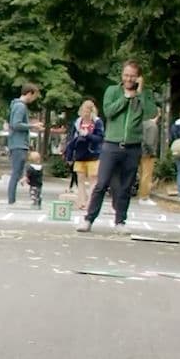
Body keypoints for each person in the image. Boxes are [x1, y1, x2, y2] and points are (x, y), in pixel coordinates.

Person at [76, 60, 157, 232]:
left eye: (133, 76)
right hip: (111, 145)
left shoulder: (144, 94)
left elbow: (150, 113)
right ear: (122, 75)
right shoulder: (112, 91)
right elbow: (109, 111)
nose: (129, 79)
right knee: (102, 183)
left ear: (138, 77)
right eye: (126, 75)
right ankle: (88, 219)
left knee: (125, 186)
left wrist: (140, 94)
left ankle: (120, 221)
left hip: (133, 147)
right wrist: (126, 98)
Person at [61, 99, 104, 215]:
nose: (85, 114)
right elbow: (72, 140)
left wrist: (88, 135)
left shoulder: (97, 122)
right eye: (83, 111)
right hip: (80, 155)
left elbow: (100, 138)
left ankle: (90, 203)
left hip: (93, 154)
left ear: (92, 112)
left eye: (87, 112)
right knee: (80, 179)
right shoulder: (78, 122)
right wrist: (69, 155)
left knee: (93, 180)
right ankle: (81, 201)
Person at [5, 84, 41, 205]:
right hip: (19, 143)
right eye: (34, 96)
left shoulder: (16, 105)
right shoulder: (20, 106)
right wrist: (32, 126)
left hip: (16, 143)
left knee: (18, 172)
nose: (34, 99)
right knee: (16, 173)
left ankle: (12, 199)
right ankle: (11, 200)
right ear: (29, 93)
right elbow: (16, 124)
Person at [136, 115, 160, 201]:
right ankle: (144, 196)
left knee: (142, 174)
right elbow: (149, 142)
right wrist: (153, 152)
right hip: (148, 154)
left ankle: (141, 193)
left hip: (140, 152)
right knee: (147, 175)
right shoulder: (152, 126)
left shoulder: (142, 124)